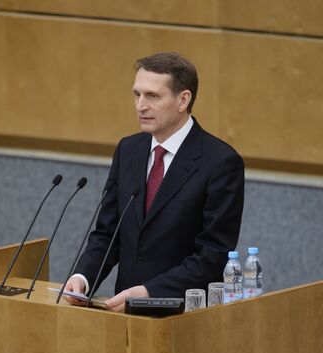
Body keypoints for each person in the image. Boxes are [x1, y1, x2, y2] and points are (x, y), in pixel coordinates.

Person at [64, 52, 244, 312]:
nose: (140, 105)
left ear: (183, 100)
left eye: (152, 96)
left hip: (182, 316)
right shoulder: (128, 149)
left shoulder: (220, 162)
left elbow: (213, 255)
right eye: (137, 94)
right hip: (124, 314)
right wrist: (83, 277)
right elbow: (108, 233)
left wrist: (150, 292)